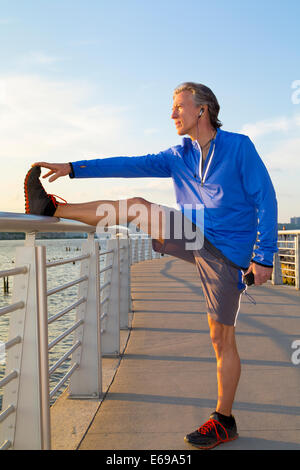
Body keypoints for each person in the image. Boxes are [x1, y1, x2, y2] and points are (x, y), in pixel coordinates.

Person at [24, 82, 278, 450]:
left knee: (221, 339)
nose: (172, 114)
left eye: (179, 107)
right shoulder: (178, 155)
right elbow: (128, 164)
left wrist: (263, 256)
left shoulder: (239, 147)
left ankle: (225, 420)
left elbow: (265, 197)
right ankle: (52, 208)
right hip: (192, 236)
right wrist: (72, 168)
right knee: (137, 206)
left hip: (226, 254)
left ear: (201, 110)